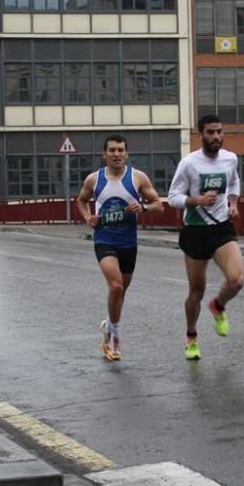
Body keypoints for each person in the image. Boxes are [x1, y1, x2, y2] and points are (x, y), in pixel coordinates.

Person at [76, 135, 164, 361]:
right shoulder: (94, 180)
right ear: (104, 155)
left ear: (126, 154)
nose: (117, 154)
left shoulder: (137, 178)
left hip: (129, 243)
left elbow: (159, 206)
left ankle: (108, 323)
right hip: (104, 239)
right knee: (115, 287)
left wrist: (143, 208)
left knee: (121, 292)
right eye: (112, 150)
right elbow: (81, 200)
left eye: (121, 150)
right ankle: (113, 339)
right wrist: (88, 217)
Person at [167, 114, 244, 361]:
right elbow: (173, 197)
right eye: (210, 132)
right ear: (200, 135)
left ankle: (218, 306)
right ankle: (191, 336)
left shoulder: (230, 159)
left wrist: (233, 203)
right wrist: (197, 200)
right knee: (196, 291)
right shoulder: (189, 163)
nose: (216, 137)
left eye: (219, 132)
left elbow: (234, 183)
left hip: (221, 227)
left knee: (236, 280)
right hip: (196, 231)